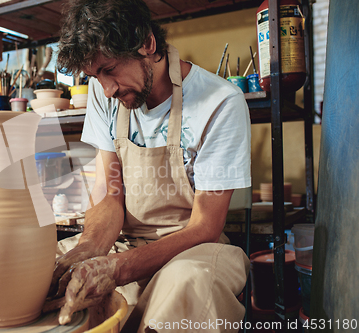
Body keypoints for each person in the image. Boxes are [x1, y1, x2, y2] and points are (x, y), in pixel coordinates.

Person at [45, 0, 252, 331]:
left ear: (146, 43)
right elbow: (109, 191)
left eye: (109, 69)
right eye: (95, 76)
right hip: (124, 242)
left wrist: (119, 269)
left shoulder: (219, 103)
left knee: (189, 284)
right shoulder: (105, 95)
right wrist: (91, 247)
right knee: (43, 270)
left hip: (193, 247)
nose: (106, 89)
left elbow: (205, 226)